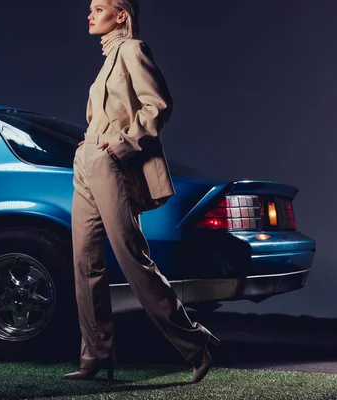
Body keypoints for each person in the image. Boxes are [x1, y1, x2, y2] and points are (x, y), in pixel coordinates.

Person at [61, 0, 220, 384]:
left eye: (98, 8)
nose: (90, 14)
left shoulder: (133, 49)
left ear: (121, 15)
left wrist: (121, 144)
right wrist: (86, 146)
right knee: (84, 262)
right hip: (87, 161)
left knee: (131, 255)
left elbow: (158, 105)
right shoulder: (106, 62)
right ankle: (96, 355)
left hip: (111, 160)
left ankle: (196, 342)